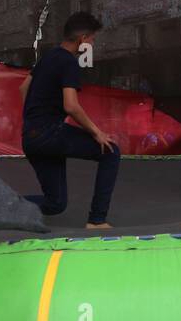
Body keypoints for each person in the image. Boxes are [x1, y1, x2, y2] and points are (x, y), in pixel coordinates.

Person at [20, 12, 120, 229]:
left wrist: (33, 120)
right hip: (48, 133)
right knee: (111, 152)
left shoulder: (48, 56)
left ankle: (0, 203)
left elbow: (23, 88)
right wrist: (97, 133)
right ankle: (97, 220)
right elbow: (71, 106)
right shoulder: (68, 62)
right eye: (92, 39)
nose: (92, 43)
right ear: (83, 39)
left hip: (31, 137)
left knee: (55, 204)